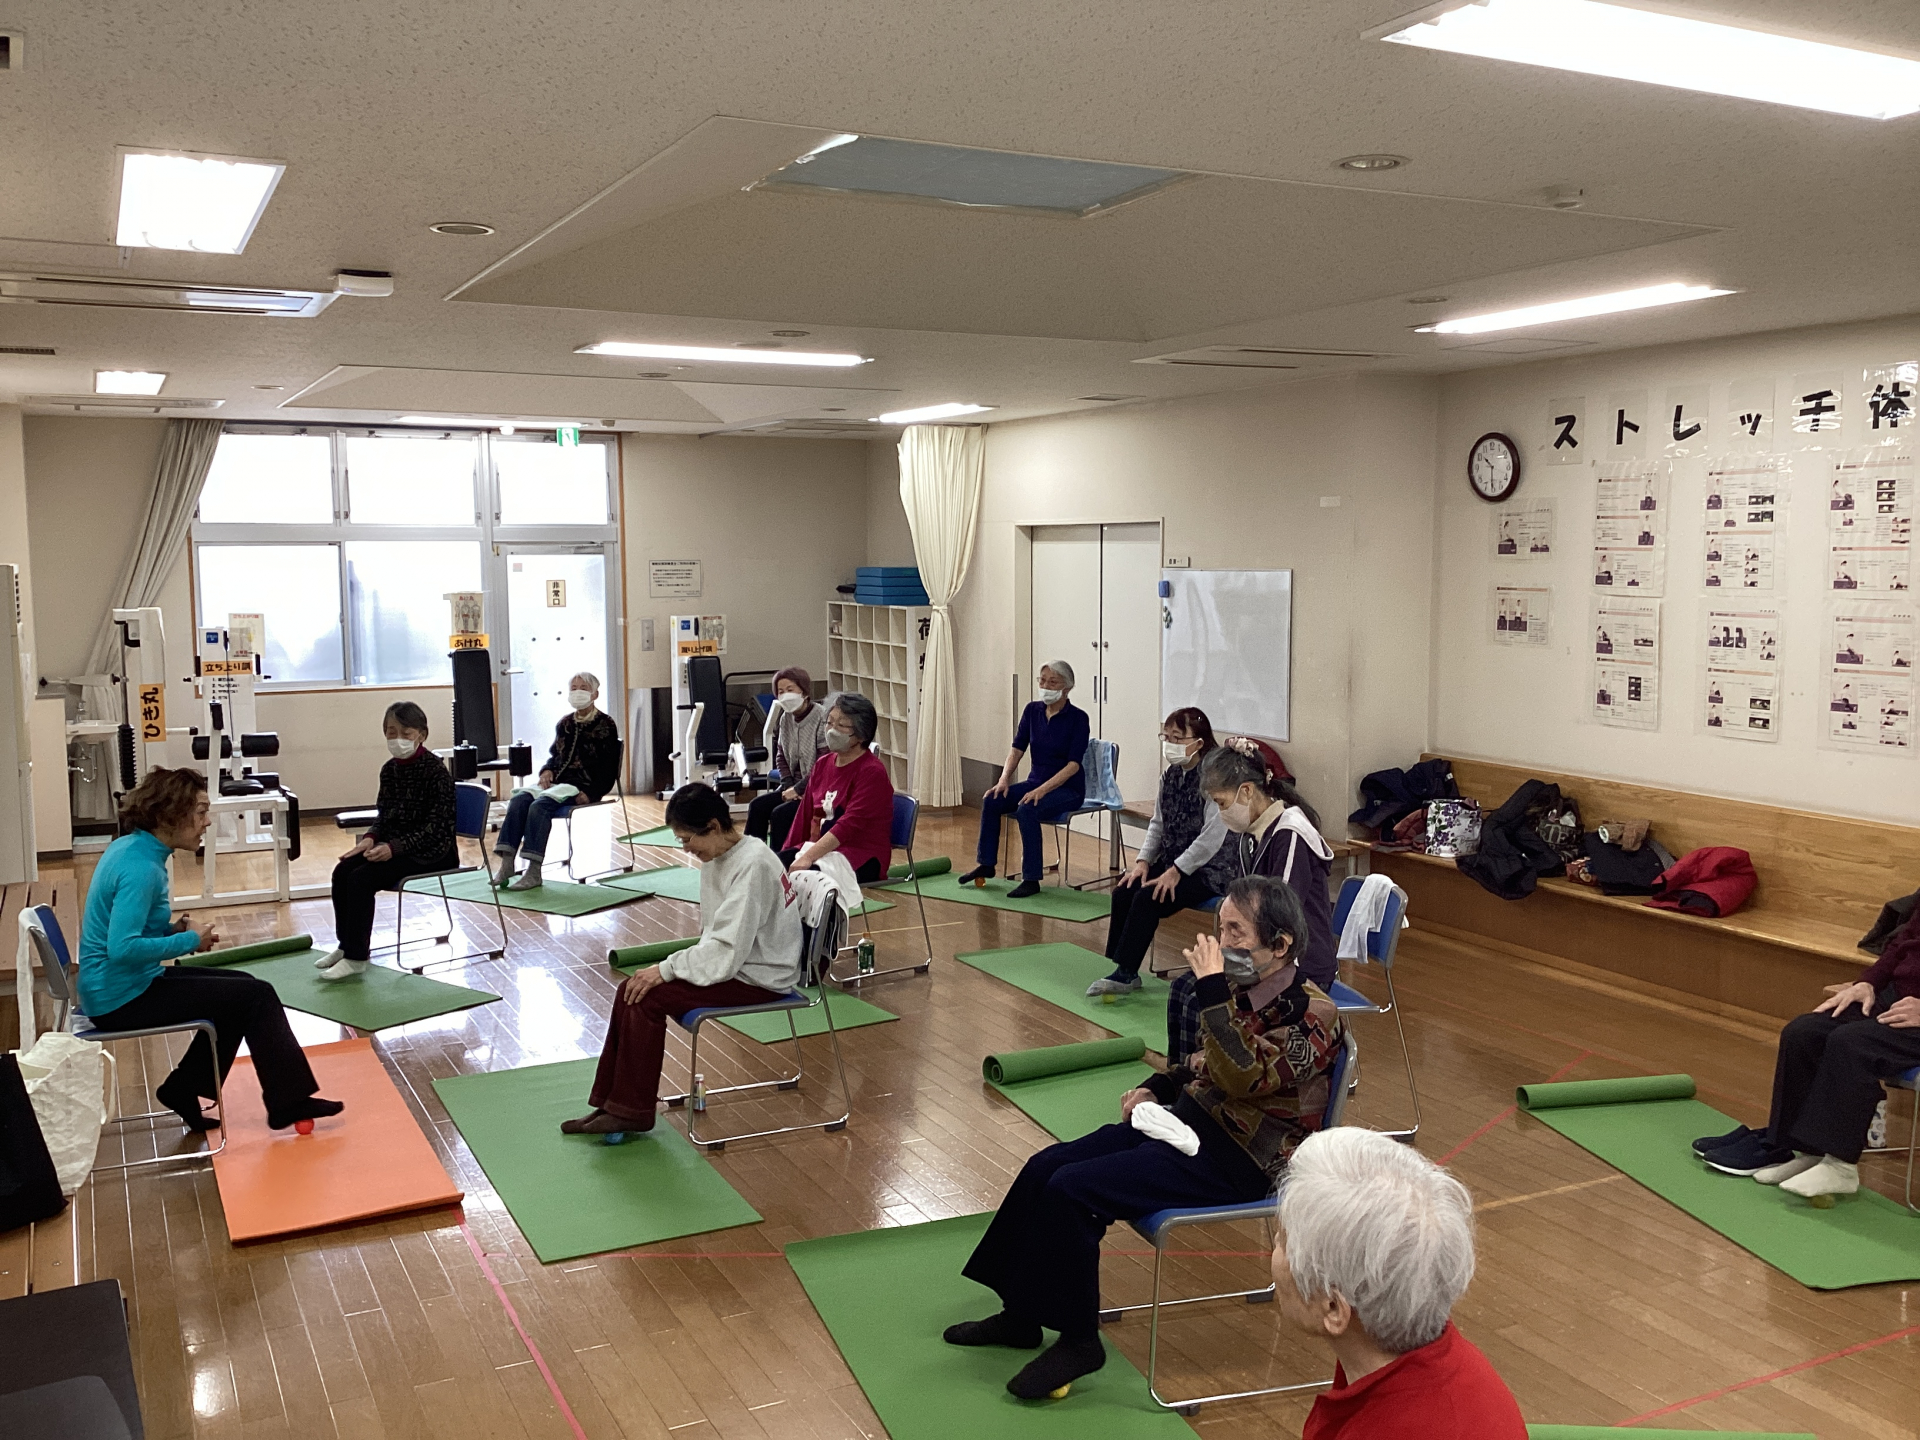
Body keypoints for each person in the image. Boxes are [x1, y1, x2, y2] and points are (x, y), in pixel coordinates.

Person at [945, 876, 1344, 1400]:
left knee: (1073, 1190)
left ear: (1280, 945)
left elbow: (1245, 1075)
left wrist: (1210, 991)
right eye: (1220, 927)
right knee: (1045, 1167)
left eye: (1236, 932)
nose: (1221, 942)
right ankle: (1020, 1316)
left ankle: (1080, 1341)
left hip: (1243, 1160)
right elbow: (1202, 1064)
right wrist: (1156, 1086)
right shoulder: (1239, 990)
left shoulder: (1314, 1014)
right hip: (1191, 1126)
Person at [78, 767, 343, 1133]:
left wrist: (176, 930)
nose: (207, 822)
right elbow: (122, 949)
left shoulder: (132, 848)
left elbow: (128, 931)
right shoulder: (142, 868)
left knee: (244, 990)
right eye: (201, 812)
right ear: (169, 814)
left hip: (122, 985)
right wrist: (189, 941)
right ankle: (288, 1101)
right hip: (120, 999)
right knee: (255, 996)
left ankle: (185, 1088)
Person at [564, 782, 801, 1136]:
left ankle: (632, 1111)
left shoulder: (752, 864)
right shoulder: (720, 855)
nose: (687, 849)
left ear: (714, 826)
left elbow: (725, 951)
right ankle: (612, 1103)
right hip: (739, 964)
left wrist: (666, 969)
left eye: (689, 839)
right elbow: (718, 941)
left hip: (761, 978)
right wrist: (669, 969)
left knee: (645, 996)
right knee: (631, 988)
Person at [1275, 1127, 1526, 1439]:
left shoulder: (1394, 1425)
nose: (1275, 1249)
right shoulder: (1438, 1367)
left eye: (1283, 1241)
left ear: (1334, 1309)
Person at [1693, 927, 1920, 1198]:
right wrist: (1868, 982)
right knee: (1804, 1032)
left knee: (1853, 1042)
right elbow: (1903, 942)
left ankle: (1840, 1166)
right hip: (1898, 1001)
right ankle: (1806, 1151)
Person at [1164, 738, 1337, 1065]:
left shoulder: (1291, 834)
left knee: (1197, 997)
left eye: (1221, 802)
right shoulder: (1251, 833)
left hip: (1294, 963)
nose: (1220, 812)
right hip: (1259, 955)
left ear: (1246, 791)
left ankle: (1206, 1075)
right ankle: (1184, 1077)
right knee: (1183, 990)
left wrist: (1226, 968)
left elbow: (1279, 920)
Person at [1086, 707, 1232, 997]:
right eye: (1166, 737)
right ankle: (1118, 965)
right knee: (1125, 890)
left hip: (1211, 870)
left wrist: (1176, 871)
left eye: (1177, 738)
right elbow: (1158, 823)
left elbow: (1212, 838)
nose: (1170, 744)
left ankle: (1125, 973)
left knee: (1148, 897)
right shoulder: (1171, 775)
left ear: (1198, 742)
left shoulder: (1215, 778)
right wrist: (1142, 862)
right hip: (1173, 862)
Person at [315, 701, 458, 980]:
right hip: (394, 848)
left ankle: (357, 958)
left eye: (406, 733)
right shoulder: (389, 770)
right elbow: (384, 815)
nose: (397, 738)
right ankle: (346, 946)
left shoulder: (436, 772)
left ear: (421, 735)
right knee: (343, 871)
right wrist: (370, 838)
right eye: (391, 732)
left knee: (362, 879)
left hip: (434, 852)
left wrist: (394, 848)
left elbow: (437, 828)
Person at [958, 661, 1090, 899]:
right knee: (992, 800)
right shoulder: (1032, 711)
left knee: (1027, 809)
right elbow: (1017, 748)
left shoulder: (1078, 718)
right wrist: (1003, 779)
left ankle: (1031, 879)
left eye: (1053, 682)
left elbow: (1073, 765)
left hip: (1067, 789)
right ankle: (986, 863)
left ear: (1067, 688)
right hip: (1034, 782)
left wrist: (1043, 790)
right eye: (1042, 680)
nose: (1045, 686)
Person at [491, 672, 622, 890]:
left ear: (595, 694)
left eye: (583, 688)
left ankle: (534, 871)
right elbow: (555, 756)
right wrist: (546, 771)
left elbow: (609, 769)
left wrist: (592, 793)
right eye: (574, 688)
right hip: (557, 784)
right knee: (519, 800)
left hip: (582, 787)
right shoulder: (565, 723)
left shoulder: (605, 725)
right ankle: (507, 864)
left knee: (539, 806)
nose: (577, 692)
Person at [782, 691, 895, 882]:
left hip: (860, 854)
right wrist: (787, 852)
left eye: (841, 726)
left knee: (803, 878)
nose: (831, 730)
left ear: (861, 735)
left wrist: (807, 857)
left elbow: (849, 825)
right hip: (819, 848)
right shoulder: (822, 764)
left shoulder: (872, 771)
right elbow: (804, 816)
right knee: (773, 869)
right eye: (829, 722)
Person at [746, 666, 827, 846]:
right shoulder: (785, 718)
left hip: (815, 789)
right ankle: (752, 856)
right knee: (757, 806)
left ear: (804, 691)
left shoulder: (821, 717)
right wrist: (789, 785)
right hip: (791, 787)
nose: (785, 695)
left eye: (790, 689)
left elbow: (823, 764)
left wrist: (798, 789)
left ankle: (780, 860)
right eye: (781, 692)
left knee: (780, 814)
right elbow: (781, 756)